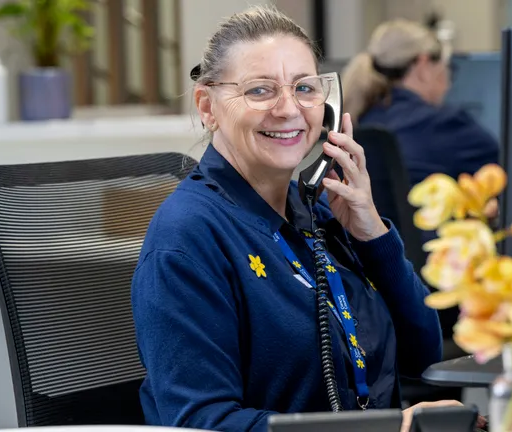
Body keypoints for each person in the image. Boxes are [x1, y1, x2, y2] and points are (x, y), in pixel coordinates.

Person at [131, 5, 483, 432]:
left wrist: (372, 234)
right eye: (260, 90)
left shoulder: (317, 213)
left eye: (305, 88)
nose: (288, 109)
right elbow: (203, 423)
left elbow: (423, 354)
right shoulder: (188, 238)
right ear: (207, 106)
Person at [342, 19, 499, 190]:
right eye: (448, 68)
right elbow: (509, 173)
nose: (448, 83)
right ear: (423, 65)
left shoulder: (358, 118)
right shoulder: (447, 124)